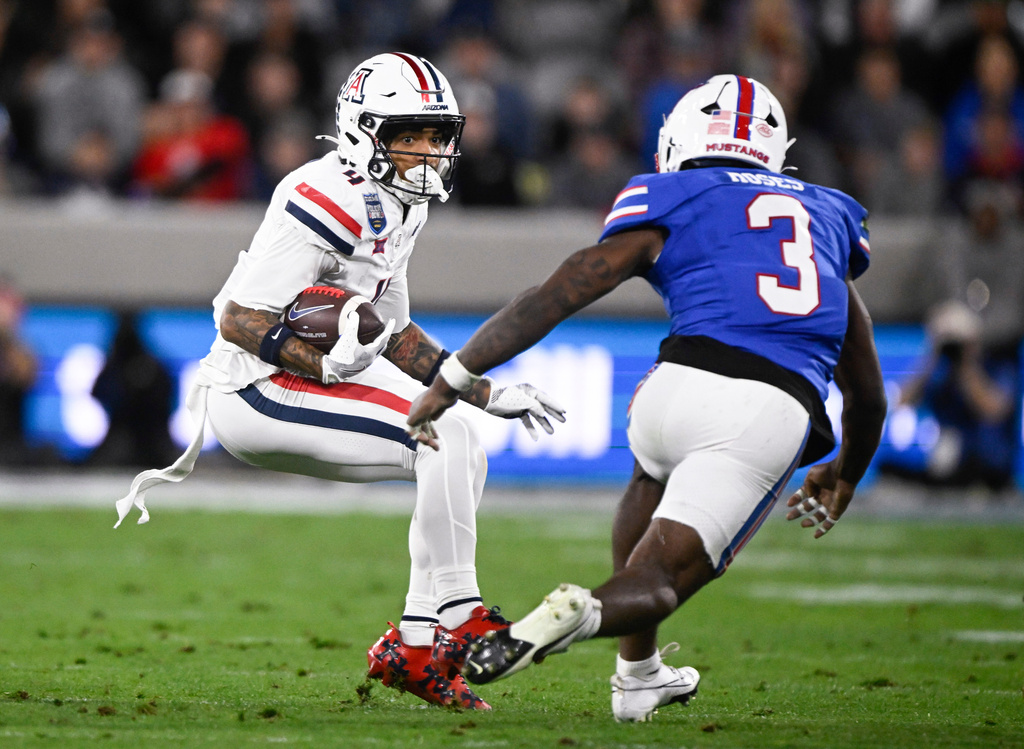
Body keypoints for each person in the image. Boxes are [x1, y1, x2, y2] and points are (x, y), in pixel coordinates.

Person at [407, 75, 888, 721]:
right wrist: (846, 472)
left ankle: (637, 678)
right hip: (766, 404)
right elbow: (869, 394)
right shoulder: (828, 213)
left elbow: (565, 287)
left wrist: (455, 376)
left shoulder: (672, 193)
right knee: (661, 578)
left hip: (667, 391)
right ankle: (583, 614)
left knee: (651, 473)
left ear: (680, 137)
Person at [113, 53, 565, 711]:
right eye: (410, 134)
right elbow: (237, 317)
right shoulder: (324, 193)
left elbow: (399, 337)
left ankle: (415, 643)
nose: (428, 152)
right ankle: (460, 614)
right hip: (256, 389)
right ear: (365, 129)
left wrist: (486, 390)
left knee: (463, 445)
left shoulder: (406, 203)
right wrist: (322, 362)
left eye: (438, 135)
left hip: (307, 382)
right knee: (438, 435)